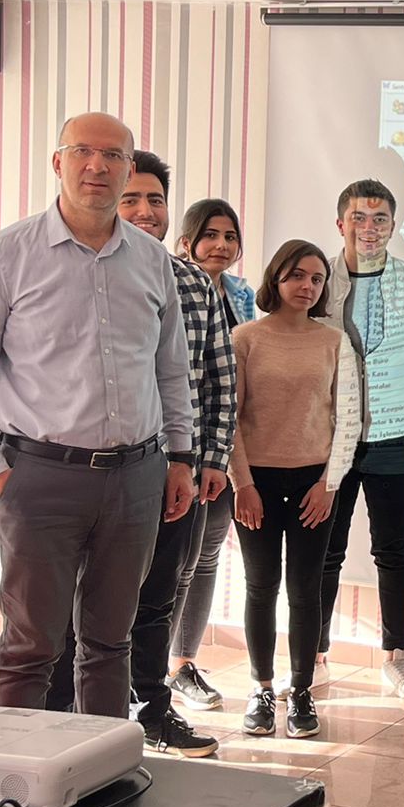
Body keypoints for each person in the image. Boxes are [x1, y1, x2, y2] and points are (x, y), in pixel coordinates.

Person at [0, 114, 197, 718]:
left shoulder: (152, 260)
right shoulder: (6, 254)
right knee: (30, 648)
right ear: (58, 162)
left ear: (128, 169)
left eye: (113, 156)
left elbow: (170, 368)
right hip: (38, 478)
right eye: (83, 151)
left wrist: (181, 457)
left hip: (136, 478)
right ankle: (11, 772)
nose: (97, 166)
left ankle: (104, 764)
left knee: (111, 644)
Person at [43, 152, 237, 752]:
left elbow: (215, 379)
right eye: (132, 199)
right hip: (82, 469)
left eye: (155, 200)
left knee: (157, 595)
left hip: (171, 470)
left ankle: (152, 709)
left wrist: (208, 459)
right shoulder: (68, 272)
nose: (145, 211)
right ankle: (62, 714)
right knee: (73, 601)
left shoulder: (193, 283)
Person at [317, 179, 404, 697]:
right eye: (359, 217)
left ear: (393, 226)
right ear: (341, 224)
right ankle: (312, 654)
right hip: (329, 439)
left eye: (379, 219)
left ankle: (396, 655)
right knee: (323, 551)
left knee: (393, 550)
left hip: (396, 437)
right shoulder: (317, 279)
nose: (369, 228)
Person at [230, 240, 359, 739]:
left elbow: (348, 419)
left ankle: (301, 690)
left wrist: (329, 484)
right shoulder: (245, 338)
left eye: (317, 279)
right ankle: (262, 689)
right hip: (256, 483)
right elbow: (230, 419)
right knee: (261, 587)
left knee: (306, 590)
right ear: (276, 278)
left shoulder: (334, 342)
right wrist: (243, 484)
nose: (307, 286)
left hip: (314, 485)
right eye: (297, 276)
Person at [166, 197, 252, 710]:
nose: (221, 245)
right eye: (210, 235)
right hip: (177, 448)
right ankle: (150, 670)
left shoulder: (243, 295)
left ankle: (183, 664)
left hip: (225, 447)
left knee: (206, 557)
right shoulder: (172, 286)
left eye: (230, 236)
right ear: (187, 242)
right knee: (173, 562)